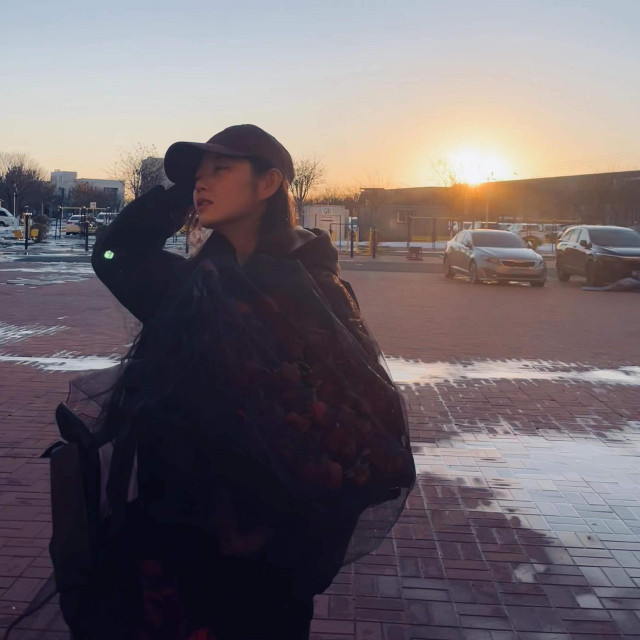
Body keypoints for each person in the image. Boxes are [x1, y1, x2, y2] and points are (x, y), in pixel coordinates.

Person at [85, 124, 414, 640]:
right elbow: (113, 255)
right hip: (175, 537)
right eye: (197, 175)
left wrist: (279, 537)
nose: (202, 182)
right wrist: (180, 197)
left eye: (221, 169)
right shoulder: (194, 286)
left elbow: (363, 423)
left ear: (268, 183)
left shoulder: (314, 291)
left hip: (263, 562)